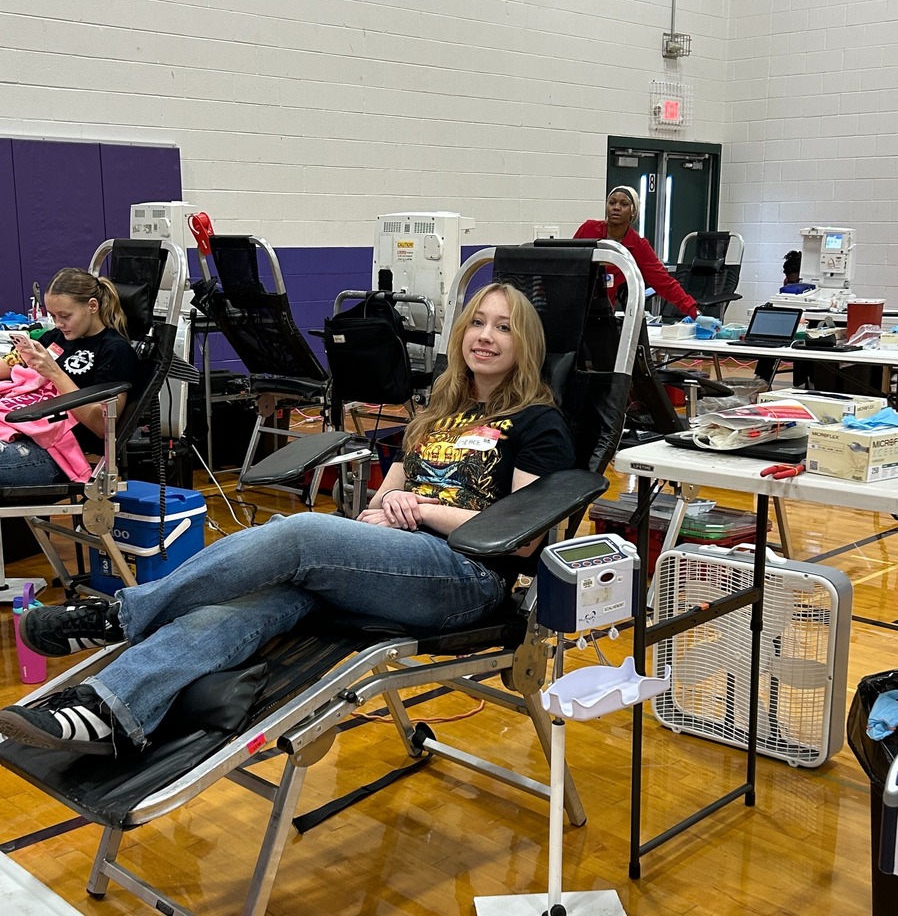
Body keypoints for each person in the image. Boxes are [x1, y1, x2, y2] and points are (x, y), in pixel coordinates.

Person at [0, 283, 575, 756]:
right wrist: (382, 514)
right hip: (389, 562)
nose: (486, 336)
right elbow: (382, 501)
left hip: (465, 577)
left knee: (298, 533)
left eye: (504, 327)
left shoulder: (538, 423)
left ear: (525, 344)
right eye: (478, 322)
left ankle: (120, 615)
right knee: (242, 607)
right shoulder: (436, 413)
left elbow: (520, 539)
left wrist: (419, 509)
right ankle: (109, 709)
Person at [0, 268, 140, 486]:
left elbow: (101, 426)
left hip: (60, 450)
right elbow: (10, 364)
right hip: (21, 430)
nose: (58, 323)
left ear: (92, 306)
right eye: (53, 316)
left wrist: (55, 373)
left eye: (65, 316)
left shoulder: (114, 351)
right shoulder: (54, 338)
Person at [574, 185, 699, 319]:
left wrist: (694, 313)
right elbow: (567, 261)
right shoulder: (588, 229)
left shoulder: (638, 245)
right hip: (573, 302)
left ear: (633, 211)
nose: (616, 207)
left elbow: (664, 282)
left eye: (624, 204)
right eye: (612, 203)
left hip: (601, 313)